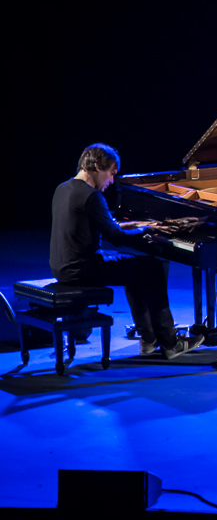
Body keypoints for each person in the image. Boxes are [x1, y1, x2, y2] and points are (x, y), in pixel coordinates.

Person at [50, 143, 204, 359]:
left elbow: (106, 225)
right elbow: (114, 237)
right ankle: (170, 343)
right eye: (111, 173)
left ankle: (149, 339)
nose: (112, 181)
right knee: (152, 267)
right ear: (96, 166)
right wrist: (144, 229)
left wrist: (141, 225)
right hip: (83, 269)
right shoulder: (91, 196)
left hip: (62, 266)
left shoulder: (64, 188)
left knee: (135, 268)